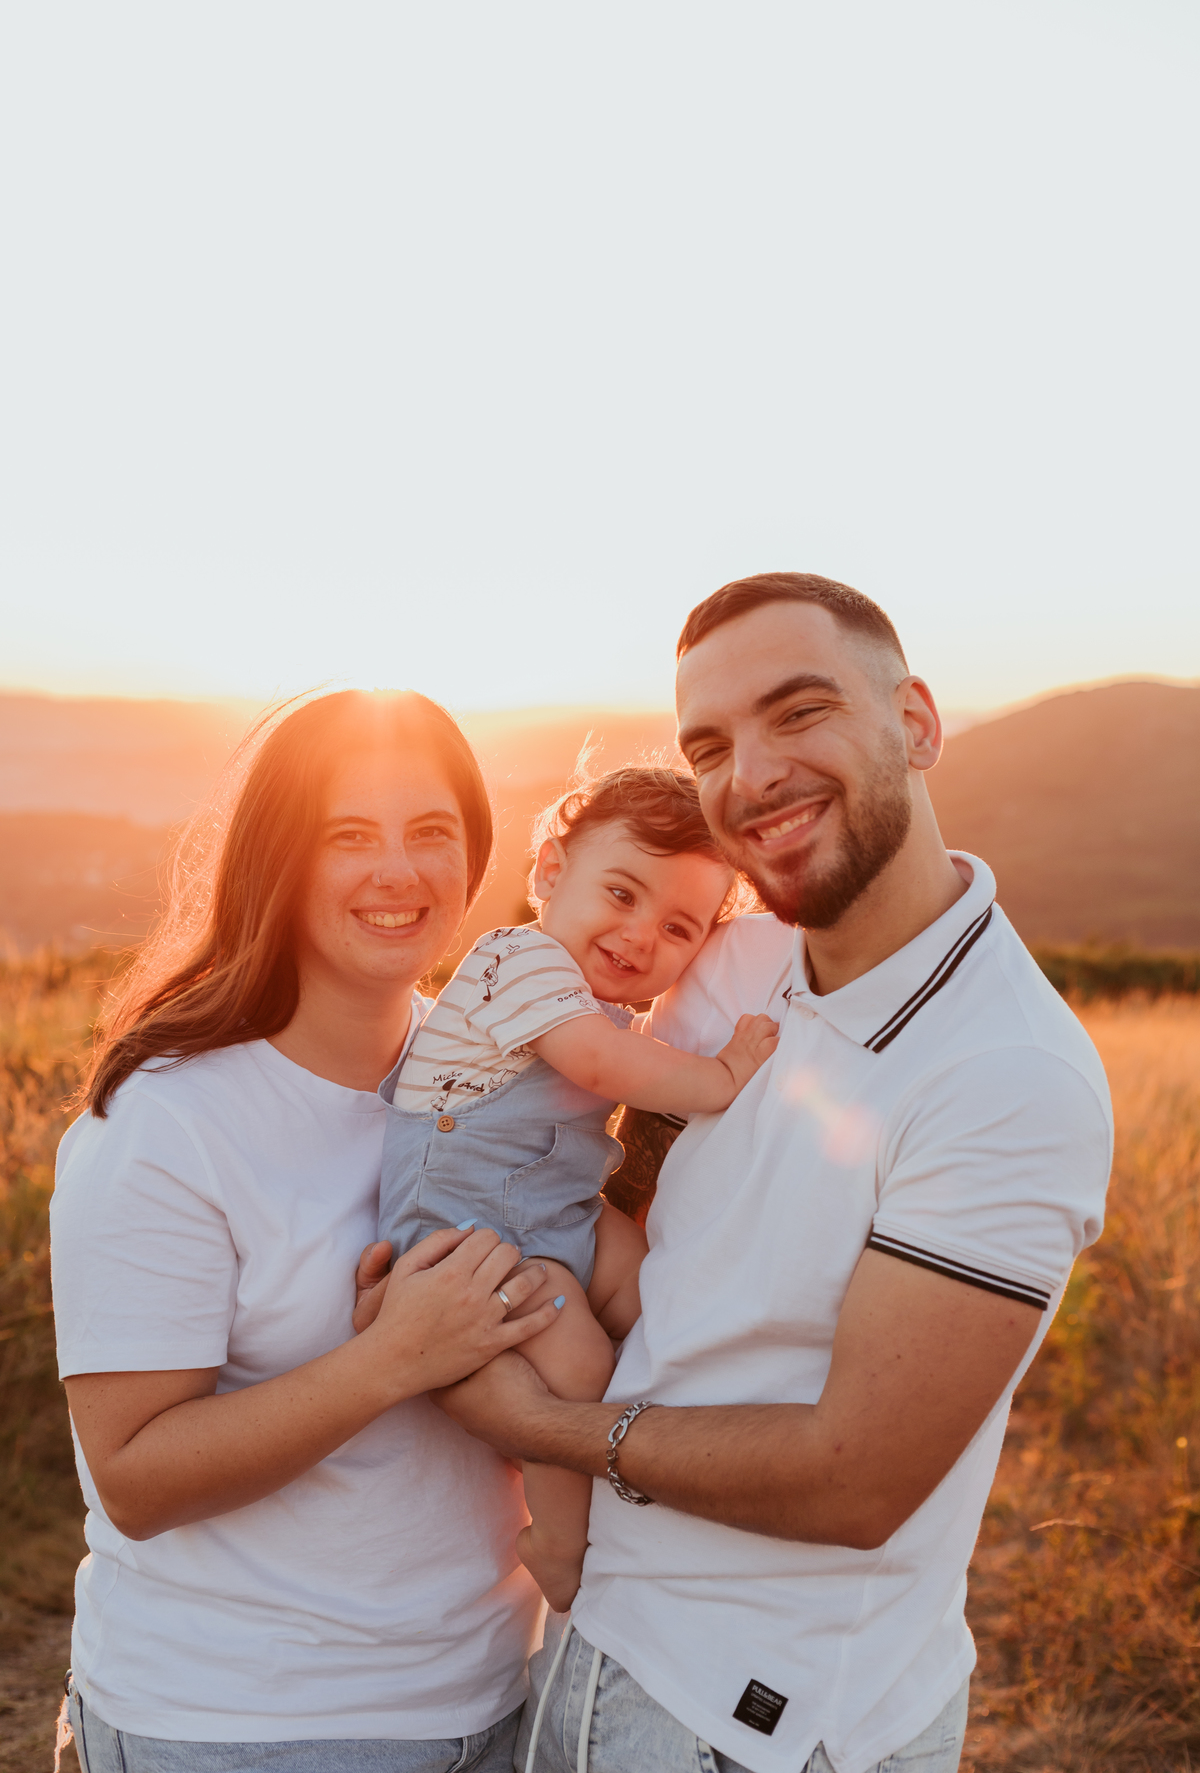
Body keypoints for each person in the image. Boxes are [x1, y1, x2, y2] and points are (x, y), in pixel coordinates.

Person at [430, 574, 1114, 1773]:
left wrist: (548, 1425)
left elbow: (854, 1480)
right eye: (711, 745)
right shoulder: (736, 962)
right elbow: (614, 1192)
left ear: (916, 724)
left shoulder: (1012, 1076)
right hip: (592, 1640)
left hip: (750, 1718)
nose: (750, 776)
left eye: (798, 713)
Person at [50, 689, 565, 1772]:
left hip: (497, 1701)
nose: (400, 871)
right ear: (276, 863)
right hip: (242, 1726)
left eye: (432, 833)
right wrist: (391, 1359)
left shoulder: (512, 1086)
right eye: (349, 836)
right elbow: (136, 1478)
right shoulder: (167, 1120)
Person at [374, 766, 777, 1612]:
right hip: (465, 1237)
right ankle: (557, 1539)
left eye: (678, 929)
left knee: (659, 1284)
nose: (640, 937)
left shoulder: (598, 1001)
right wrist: (723, 1076)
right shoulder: (517, 962)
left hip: (554, 1217)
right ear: (551, 872)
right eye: (621, 894)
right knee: (578, 1356)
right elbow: (600, 1065)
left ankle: (717, 1435)